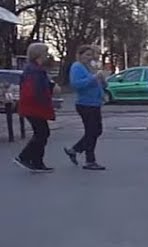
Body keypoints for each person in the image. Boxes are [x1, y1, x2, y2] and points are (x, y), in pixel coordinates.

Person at [14, 42, 56, 173]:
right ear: (39, 54)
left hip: (32, 106)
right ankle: (25, 157)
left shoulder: (34, 69)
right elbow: (37, 90)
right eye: (45, 52)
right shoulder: (34, 70)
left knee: (42, 133)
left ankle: (37, 162)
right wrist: (46, 102)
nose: (47, 55)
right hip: (34, 106)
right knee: (42, 132)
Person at [64, 44, 107, 170]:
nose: (90, 57)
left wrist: (103, 85)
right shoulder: (77, 67)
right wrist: (94, 78)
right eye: (87, 55)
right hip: (85, 104)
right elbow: (76, 84)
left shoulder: (90, 67)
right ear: (79, 55)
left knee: (96, 131)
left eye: (91, 55)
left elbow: (98, 83)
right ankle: (90, 160)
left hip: (95, 103)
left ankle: (75, 149)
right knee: (91, 131)